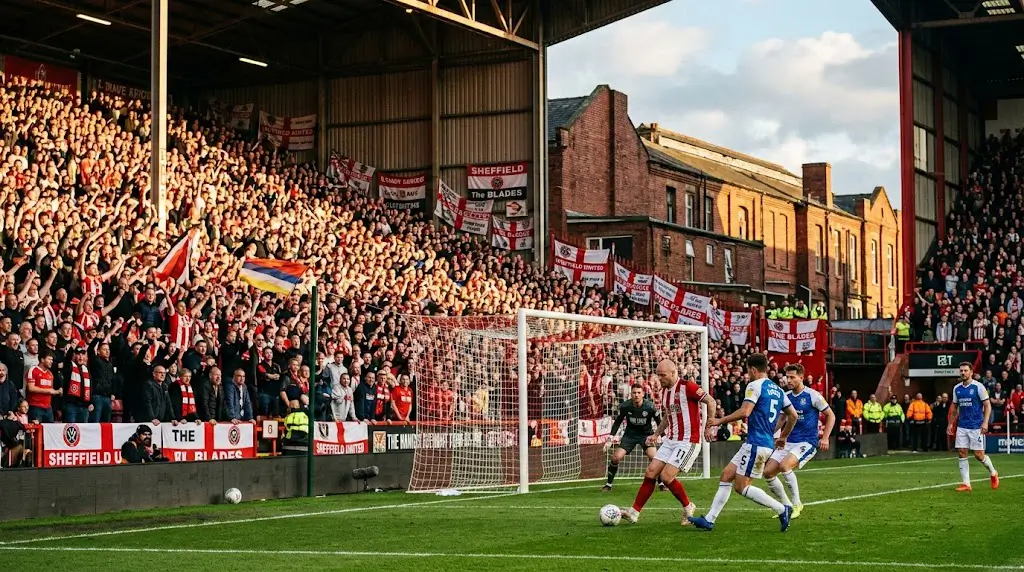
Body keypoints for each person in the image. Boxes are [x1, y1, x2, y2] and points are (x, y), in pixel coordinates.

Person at [688, 353, 798, 532]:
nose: (748, 375)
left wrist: (718, 420)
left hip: (757, 443)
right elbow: (793, 415)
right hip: (758, 443)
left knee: (742, 487)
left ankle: (781, 508)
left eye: (748, 371)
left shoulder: (754, 386)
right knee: (726, 475)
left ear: (753, 370)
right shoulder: (777, 389)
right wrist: (783, 436)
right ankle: (709, 519)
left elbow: (745, 412)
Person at [621, 360, 714, 526]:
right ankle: (634, 513)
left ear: (673, 372)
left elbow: (711, 401)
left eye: (662, 375)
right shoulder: (664, 392)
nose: (660, 378)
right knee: (650, 472)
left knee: (666, 476)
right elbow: (667, 417)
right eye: (658, 375)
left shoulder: (688, 387)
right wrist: (656, 434)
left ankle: (688, 507)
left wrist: (709, 426)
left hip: (688, 441)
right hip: (671, 440)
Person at [763, 363, 836, 519]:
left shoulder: (813, 395)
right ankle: (786, 506)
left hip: (807, 442)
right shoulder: (786, 396)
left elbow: (831, 415)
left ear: (801, 378)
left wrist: (825, 438)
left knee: (784, 466)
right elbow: (782, 418)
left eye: (792, 377)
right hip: (788, 440)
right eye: (787, 377)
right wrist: (770, 434)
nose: (788, 380)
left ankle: (797, 504)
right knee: (768, 472)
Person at [948, 362, 999, 492]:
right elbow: (954, 407)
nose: (963, 373)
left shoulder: (978, 387)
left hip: (976, 425)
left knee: (979, 455)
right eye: (961, 371)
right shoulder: (957, 389)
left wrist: (985, 422)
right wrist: (950, 423)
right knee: (961, 452)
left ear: (971, 372)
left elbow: (987, 405)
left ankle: (993, 473)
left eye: (965, 370)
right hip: (962, 425)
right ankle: (966, 484)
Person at [601, 383, 661, 492]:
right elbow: (618, 421)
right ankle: (608, 484)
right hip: (630, 435)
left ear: (643, 394)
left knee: (654, 458)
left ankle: (661, 482)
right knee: (616, 457)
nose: (636, 395)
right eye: (634, 393)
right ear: (631, 394)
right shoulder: (626, 406)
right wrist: (610, 438)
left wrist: (661, 436)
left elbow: (659, 422)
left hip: (646, 435)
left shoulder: (650, 407)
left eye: (639, 393)